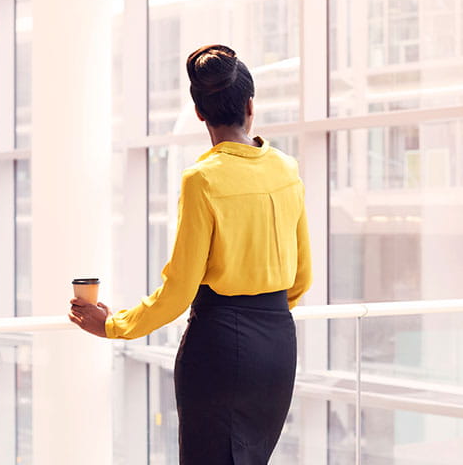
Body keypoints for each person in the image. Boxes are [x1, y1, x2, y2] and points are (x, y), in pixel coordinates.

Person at [69, 43, 312, 465]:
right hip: (277, 347)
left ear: (200, 113)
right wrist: (262, 313)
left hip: (221, 346)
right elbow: (302, 277)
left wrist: (114, 325)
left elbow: (178, 290)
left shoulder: (201, 179)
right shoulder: (285, 169)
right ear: (250, 105)